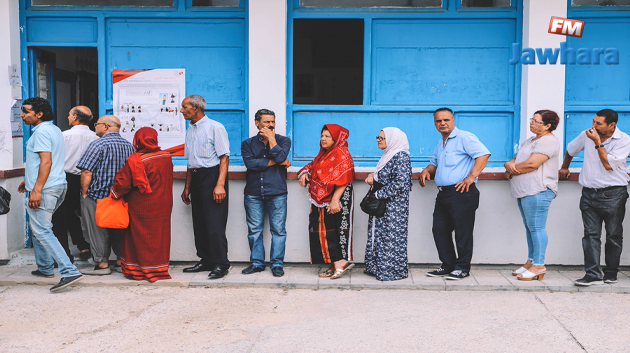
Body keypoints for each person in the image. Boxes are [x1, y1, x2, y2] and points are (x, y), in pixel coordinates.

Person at [17, 97, 83, 292]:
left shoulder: (42, 133)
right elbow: (44, 162)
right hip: (57, 184)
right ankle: (45, 267)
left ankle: (69, 270)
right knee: (39, 227)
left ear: (39, 114)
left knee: (42, 230)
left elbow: (46, 162)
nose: (22, 115)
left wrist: (36, 189)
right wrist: (28, 181)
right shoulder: (54, 129)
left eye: (26, 111)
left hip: (47, 188)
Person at [559, 109, 630, 286]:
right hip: (589, 193)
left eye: (599, 123)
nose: (594, 126)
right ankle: (592, 274)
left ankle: (611, 272)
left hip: (614, 194)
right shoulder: (587, 135)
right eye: (593, 121)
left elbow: (608, 164)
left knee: (613, 235)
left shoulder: (624, 140)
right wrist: (565, 167)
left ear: (612, 125)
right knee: (590, 235)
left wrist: (598, 143)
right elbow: (571, 149)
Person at [419, 108, 490, 280]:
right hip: (443, 194)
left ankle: (462, 268)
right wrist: (426, 171)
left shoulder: (464, 137)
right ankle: (448, 265)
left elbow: (483, 154)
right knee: (439, 230)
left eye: (446, 120)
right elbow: (434, 163)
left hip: (462, 192)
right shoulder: (441, 143)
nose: (442, 123)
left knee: (462, 232)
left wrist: (471, 177)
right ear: (435, 123)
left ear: (453, 121)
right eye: (438, 121)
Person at [111, 127, 174, 282]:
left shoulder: (136, 159)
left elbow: (123, 183)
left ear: (137, 140)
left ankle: (139, 270)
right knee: (160, 236)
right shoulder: (166, 156)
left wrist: (113, 193)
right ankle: (159, 268)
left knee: (139, 237)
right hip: (164, 203)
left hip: (141, 205)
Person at [504, 110, 561, 281]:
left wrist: (511, 170)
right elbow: (515, 159)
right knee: (530, 228)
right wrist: (509, 165)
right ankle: (531, 261)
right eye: (532, 120)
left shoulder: (549, 141)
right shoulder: (531, 140)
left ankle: (539, 265)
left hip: (538, 190)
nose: (531, 123)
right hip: (525, 190)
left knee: (537, 228)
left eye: (536, 121)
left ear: (548, 126)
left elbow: (531, 164)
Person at [180, 94, 231, 279]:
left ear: (197, 108)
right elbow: (190, 161)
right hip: (196, 177)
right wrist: (187, 187)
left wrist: (220, 185)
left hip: (212, 176)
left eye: (185, 107)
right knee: (199, 222)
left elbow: (224, 157)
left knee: (214, 223)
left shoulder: (215, 127)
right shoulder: (190, 130)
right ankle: (206, 259)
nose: (181, 110)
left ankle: (221, 264)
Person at [76, 115, 135, 275]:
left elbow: (87, 171)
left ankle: (102, 264)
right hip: (120, 196)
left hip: (98, 196)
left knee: (97, 230)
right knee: (118, 228)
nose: (95, 127)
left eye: (97, 124)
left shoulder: (97, 144)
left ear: (106, 127)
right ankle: (119, 261)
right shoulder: (128, 146)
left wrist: (84, 193)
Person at [298, 124, 355, 279]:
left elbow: (344, 179)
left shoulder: (342, 154)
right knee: (323, 232)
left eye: (327, 136)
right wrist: (304, 173)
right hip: (322, 200)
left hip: (337, 198)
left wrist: (335, 200)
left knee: (335, 231)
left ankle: (341, 262)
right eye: (322, 136)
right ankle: (333, 263)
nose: (323, 139)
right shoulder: (324, 154)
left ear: (336, 138)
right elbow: (313, 166)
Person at [241, 109, 292, 277]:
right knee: (254, 230)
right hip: (253, 193)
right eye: (266, 122)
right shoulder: (247, 144)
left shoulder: (284, 141)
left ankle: (277, 264)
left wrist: (271, 139)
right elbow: (250, 164)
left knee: (278, 230)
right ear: (257, 123)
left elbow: (279, 158)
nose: (271, 125)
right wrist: (275, 162)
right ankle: (257, 263)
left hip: (277, 192)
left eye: (273, 122)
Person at [364, 127, 412, 281]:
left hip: (394, 207)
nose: (378, 140)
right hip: (385, 205)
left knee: (391, 238)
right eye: (377, 137)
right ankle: (377, 268)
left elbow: (401, 183)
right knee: (379, 236)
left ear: (393, 139)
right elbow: (385, 176)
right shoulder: (389, 155)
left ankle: (391, 272)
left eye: (382, 138)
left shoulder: (401, 156)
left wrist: (379, 194)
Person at [52, 106, 97, 262]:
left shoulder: (64, 136)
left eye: (70, 115)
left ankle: (64, 255)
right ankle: (83, 245)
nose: (68, 117)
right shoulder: (96, 137)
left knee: (59, 216)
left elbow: (53, 159)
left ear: (76, 117)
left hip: (67, 178)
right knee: (81, 214)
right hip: (90, 180)